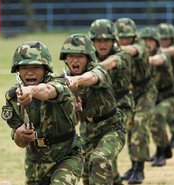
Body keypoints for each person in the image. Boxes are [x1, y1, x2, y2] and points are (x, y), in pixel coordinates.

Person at [1, 41, 85, 185]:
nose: (30, 72)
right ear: (17, 70)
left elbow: (47, 91)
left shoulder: (59, 84)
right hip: (35, 161)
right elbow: (20, 142)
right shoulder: (13, 97)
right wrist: (19, 134)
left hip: (67, 156)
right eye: (24, 67)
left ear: (46, 69)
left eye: (36, 67)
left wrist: (32, 91)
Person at [59, 33, 126, 185]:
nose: (75, 60)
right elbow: (73, 121)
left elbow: (93, 77)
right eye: (71, 56)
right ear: (65, 58)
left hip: (112, 128)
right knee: (87, 175)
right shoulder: (63, 80)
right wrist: (74, 110)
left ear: (89, 57)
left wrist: (76, 80)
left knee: (99, 159)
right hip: (87, 131)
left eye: (80, 56)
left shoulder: (98, 70)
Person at [88, 18, 133, 185]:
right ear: (92, 41)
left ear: (113, 41)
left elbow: (110, 63)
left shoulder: (122, 55)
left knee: (105, 151)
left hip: (120, 108)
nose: (102, 44)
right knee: (89, 164)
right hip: (95, 112)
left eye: (106, 40)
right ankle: (115, 179)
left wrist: (91, 72)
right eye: (98, 40)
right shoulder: (86, 58)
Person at [114, 17, 158, 184]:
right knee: (130, 128)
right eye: (121, 37)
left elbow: (133, 50)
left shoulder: (140, 45)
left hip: (146, 91)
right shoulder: (113, 47)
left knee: (140, 123)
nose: (124, 40)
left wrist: (116, 51)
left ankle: (139, 169)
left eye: (127, 37)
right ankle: (134, 165)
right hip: (128, 94)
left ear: (134, 36)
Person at [139, 27, 174, 167]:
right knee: (147, 119)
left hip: (169, 96)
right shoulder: (140, 56)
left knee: (156, 116)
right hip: (152, 97)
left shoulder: (161, 54)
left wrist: (143, 60)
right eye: (144, 40)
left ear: (156, 42)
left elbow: (158, 60)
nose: (147, 43)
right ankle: (165, 148)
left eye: (151, 40)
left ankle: (161, 152)